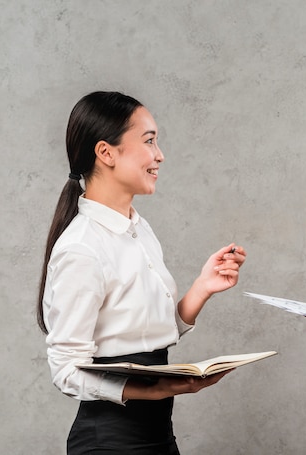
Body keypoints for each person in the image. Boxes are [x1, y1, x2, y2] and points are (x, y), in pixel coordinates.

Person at [37, 91, 246, 454]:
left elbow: (144, 335)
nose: (159, 155)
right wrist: (158, 388)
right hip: (110, 444)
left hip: (158, 437)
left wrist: (202, 288)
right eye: (149, 141)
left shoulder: (139, 229)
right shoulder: (82, 248)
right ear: (106, 153)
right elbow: (66, 371)